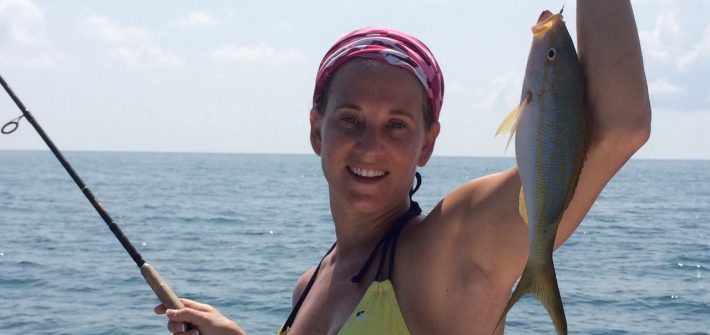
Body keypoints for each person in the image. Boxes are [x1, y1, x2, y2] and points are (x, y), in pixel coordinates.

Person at [155, 1, 651, 334]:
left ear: (427, 143)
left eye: (397, 125)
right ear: (315, 130)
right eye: (350, 119)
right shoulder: (308, 286)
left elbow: (620, 127)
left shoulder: (453, 247)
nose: (371, 145)